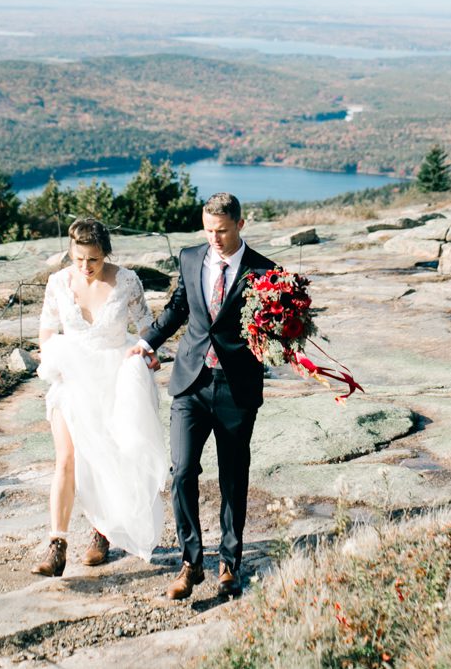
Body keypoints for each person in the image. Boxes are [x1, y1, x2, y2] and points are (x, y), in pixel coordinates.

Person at [137, 192, 273, 600]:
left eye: (222, 230)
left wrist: (287, 334)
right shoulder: (191, 257)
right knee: (181, 473)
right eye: (208, 229)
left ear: (240, 226)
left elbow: (277, 328)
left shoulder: (264, 270)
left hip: (237, 388)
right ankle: (190, 562)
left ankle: (230, 562)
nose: (214, 238)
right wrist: (148, 342)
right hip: (190, 383)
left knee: (233, 479)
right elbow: (180, 306)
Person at [30, 217, 167, 576]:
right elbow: (46, 333)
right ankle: (56, 546)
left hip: (115, 379)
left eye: (92, 259)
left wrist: (148, 354)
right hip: (72, 380)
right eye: (78, 259)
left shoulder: (127, 282)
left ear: (105, 253)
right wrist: (53, 359)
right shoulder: (58, 282)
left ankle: (101, 533)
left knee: (110, 457)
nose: (85, 267)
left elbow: (146, 329)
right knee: (67, 459)